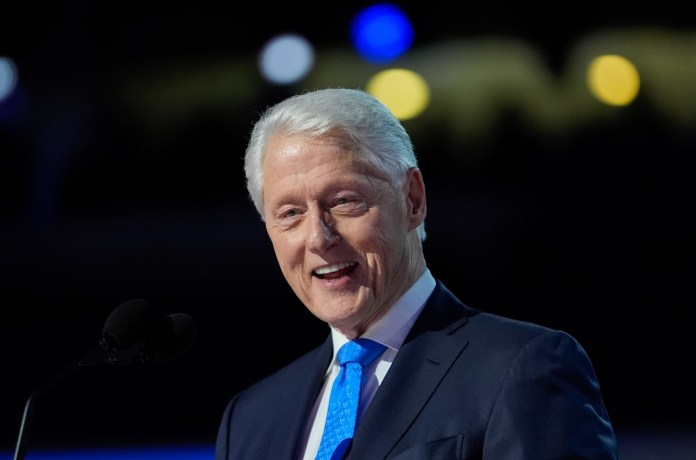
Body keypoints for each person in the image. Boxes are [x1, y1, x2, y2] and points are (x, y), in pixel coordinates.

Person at [215, 87, 619, 459]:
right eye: (290, 214)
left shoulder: (522, 370)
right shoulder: (250, 419)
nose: (319, 238)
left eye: (344, 201)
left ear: (412, 200)